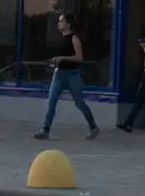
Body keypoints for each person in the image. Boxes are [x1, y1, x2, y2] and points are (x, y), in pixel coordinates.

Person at [34, 12, 98, 140]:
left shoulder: (74, 38)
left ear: (68, 24)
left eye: (62, 21)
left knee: (79, 102)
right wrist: (55, 61)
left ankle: (93, 127)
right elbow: (60, 56)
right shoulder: (59, 39)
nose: (59, 24)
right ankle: (45, 129)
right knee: (51, 102)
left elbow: (79, 57)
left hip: (72, 75)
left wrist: (62, 58)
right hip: (59, 73)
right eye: (59, 21)